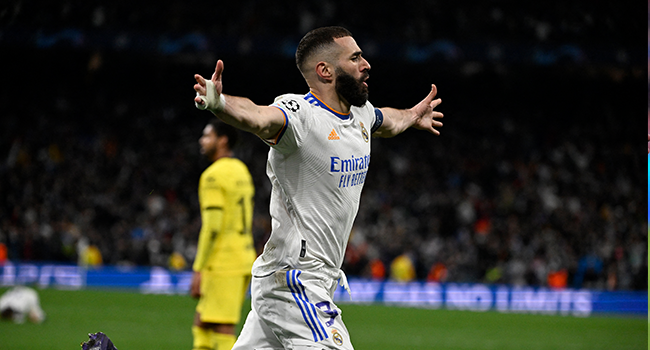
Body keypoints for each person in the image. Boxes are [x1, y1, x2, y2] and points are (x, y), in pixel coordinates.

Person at [193, 26, 443, 350]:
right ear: (325, 71)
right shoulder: (301, 116)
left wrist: (413, 115)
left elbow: (389, 121)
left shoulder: (360, 114)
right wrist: (220, 103)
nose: (366, 64)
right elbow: (259, 117)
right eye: (355, 58)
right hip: (296, 280)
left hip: (299, 280)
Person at [190, 119, 256, 350]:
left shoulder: (212, 176)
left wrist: (198, 268)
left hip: (223, 260)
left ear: (223, 140)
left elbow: (213, 226)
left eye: (207, 136)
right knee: (203, 322)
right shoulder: (241, 171)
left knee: (222, 326)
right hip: (244, 255)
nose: (202, 140)